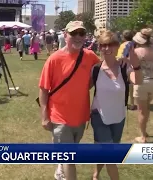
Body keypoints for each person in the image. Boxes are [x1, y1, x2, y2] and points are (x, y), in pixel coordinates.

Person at [38, 21, 100, 180]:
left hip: (80, 116)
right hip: (60, 116)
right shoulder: (54, 59)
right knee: (69, 157)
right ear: (65, 35)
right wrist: (44, 117)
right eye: (74, 33)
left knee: (71, 149)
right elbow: (44, 89)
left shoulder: (90, 56)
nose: (78, 37)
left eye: (82, 33)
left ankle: (60, 167)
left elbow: (101, 72)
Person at [91, 30, 142, 180]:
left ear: (117, 46)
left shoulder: (124, 67)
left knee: (104, 150)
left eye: (111, 44)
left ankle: (96, 174)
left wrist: (135, 62)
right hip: (99, 117)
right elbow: (81, 88)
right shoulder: (95, 69)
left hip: (119, 118)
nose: (107, 48)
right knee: (110, 156)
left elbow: (137, 81)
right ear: (99, 47)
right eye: (103, 45)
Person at [132, 29, 153, 143]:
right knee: (146, 107)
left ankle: (142, 136)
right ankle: (144, 130)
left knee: (141, 110)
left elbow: (129, 66)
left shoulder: (136, 51)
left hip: (141, 82)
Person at [116, 30, 137, 110]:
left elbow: (120, 57)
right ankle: (132, 103)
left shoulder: (124, 45)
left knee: (124, 84)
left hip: (125, 66)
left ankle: (123, 102)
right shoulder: (135, 44)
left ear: (124, 36)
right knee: (131, 85)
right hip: (134, 66)